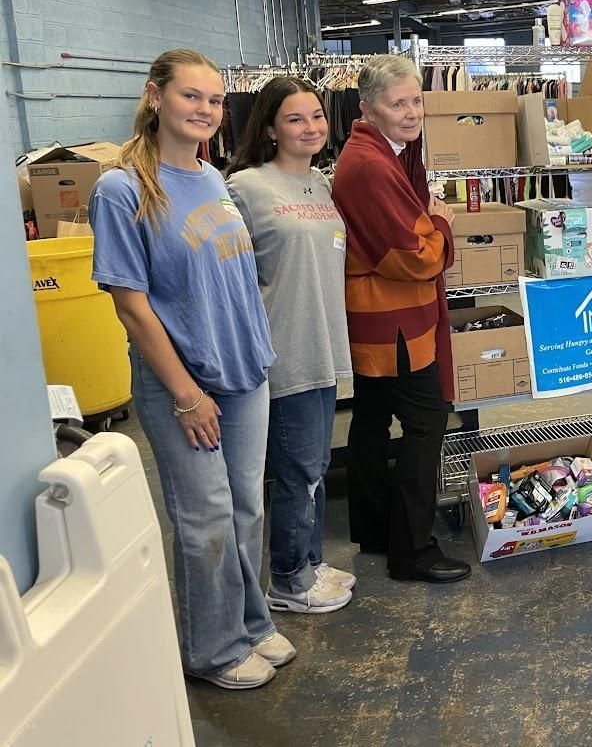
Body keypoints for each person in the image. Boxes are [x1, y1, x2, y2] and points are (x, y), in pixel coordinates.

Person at [89, 49, 291, 690]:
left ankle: (252, 624)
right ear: (155, 96)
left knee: (245, 510)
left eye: (215, 100)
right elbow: (131, 302)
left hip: (245, 372)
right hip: (185, 382)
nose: (206, 109)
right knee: (204, 522)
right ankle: (214, 649)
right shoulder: (121, 189)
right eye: (191, 97)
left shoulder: (213, 178)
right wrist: (185, 395)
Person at [330, 54, 471, 583]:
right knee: (426, 421)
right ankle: (411, 550)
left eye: (416, 100)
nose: (412, 113)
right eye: (398, 104)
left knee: (370, 419)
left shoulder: (385, 153)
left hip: (380, 315)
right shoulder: (370, 166)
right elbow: (412, 256)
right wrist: (439, 220)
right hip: (392, 322)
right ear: (367, 107)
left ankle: (374, 528)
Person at [225, 78, 355, 614]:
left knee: (315, 463)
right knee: (297, 468)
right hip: (283, 348)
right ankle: (288, 578)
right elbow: (231, 279)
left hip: (324, 344)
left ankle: (309, 558)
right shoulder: (246, 188)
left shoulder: (322, 185)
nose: (311, 127)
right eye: (296, 118)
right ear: (271, 127)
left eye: (317, 116)